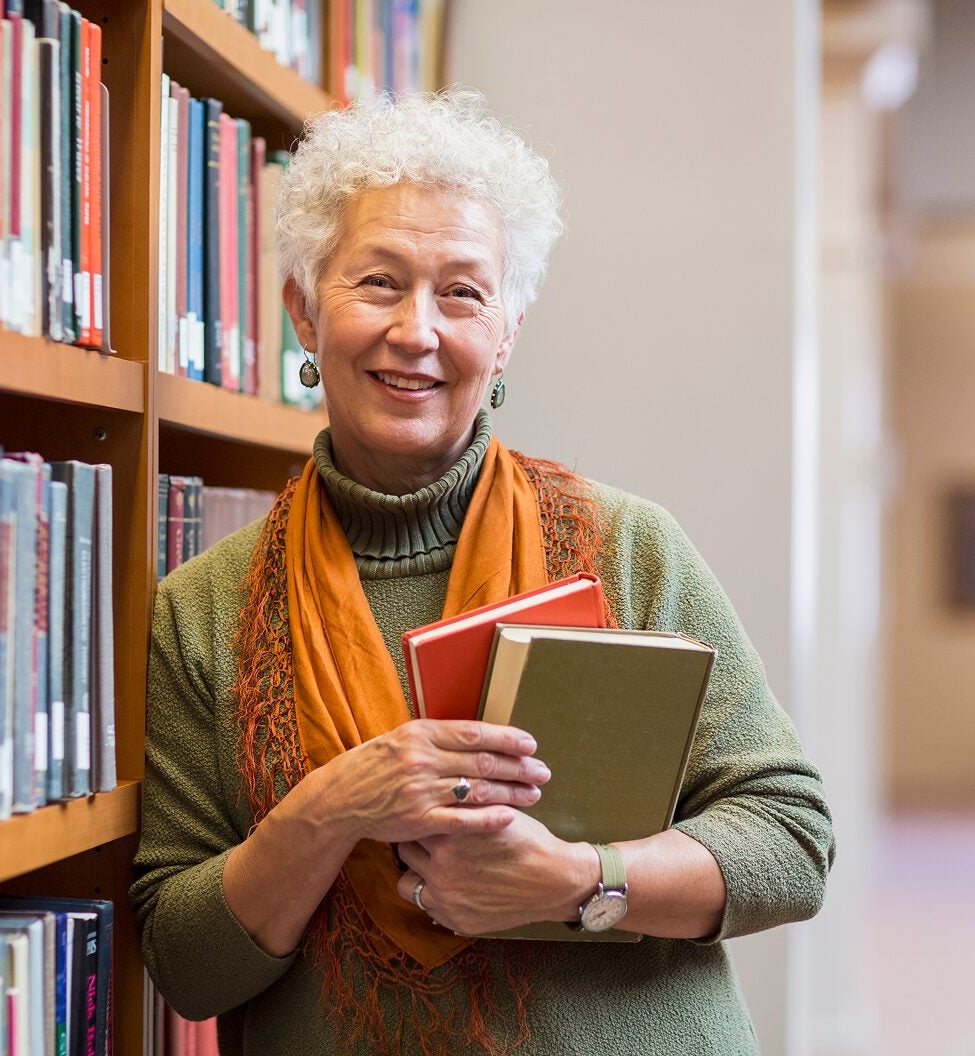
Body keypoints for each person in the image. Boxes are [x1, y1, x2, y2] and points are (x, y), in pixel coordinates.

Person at [130, 89, 835, 1056]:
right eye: (377, 282)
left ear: (504, 334)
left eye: (462, 292)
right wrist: (332, 807)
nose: (417, 330)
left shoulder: (629, 546)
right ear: (302, 311)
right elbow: (188, 963)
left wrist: (583, 879)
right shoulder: (203, 608)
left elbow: (792, 841)